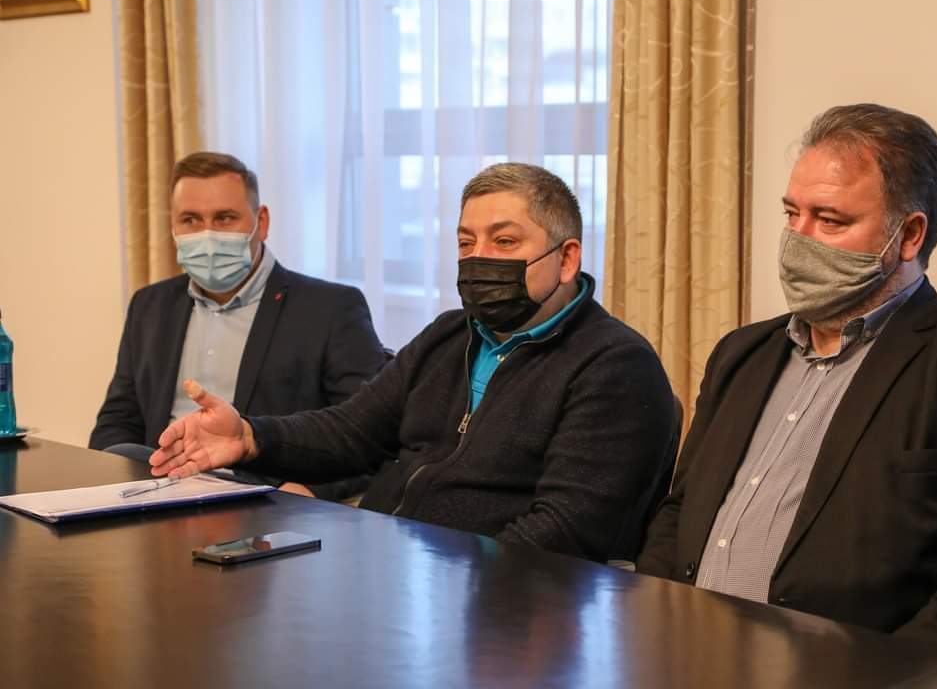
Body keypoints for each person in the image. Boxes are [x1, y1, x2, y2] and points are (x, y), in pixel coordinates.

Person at [636, 104, 937, 671]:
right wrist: (654, 627)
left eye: (830, 221)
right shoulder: (741, 354)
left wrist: (880, 671)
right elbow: (679, 513)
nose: (798, 239)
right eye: (792, 213)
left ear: (909, 234)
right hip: (691, 661)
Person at [148, 162, 678, 562]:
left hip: (502, 611)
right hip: (387, 570)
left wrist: (429, 587)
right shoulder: (450, 334)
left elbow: (564, 532)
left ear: (566, 258)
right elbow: (351, 431)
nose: (479, 258)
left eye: (505, 241)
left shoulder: (615, 366)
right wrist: (249, 436)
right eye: (466, 242)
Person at [90, 151, 387, 500]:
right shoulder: (150, 305)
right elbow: (116, 422)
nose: (207, 235)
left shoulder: (331, 308)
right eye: (190, 220)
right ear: (173, 227)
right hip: (160, 494)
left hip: (266, 500)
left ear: (262, 222)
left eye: (225, 218)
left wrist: (309, 491)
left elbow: (371, 434)